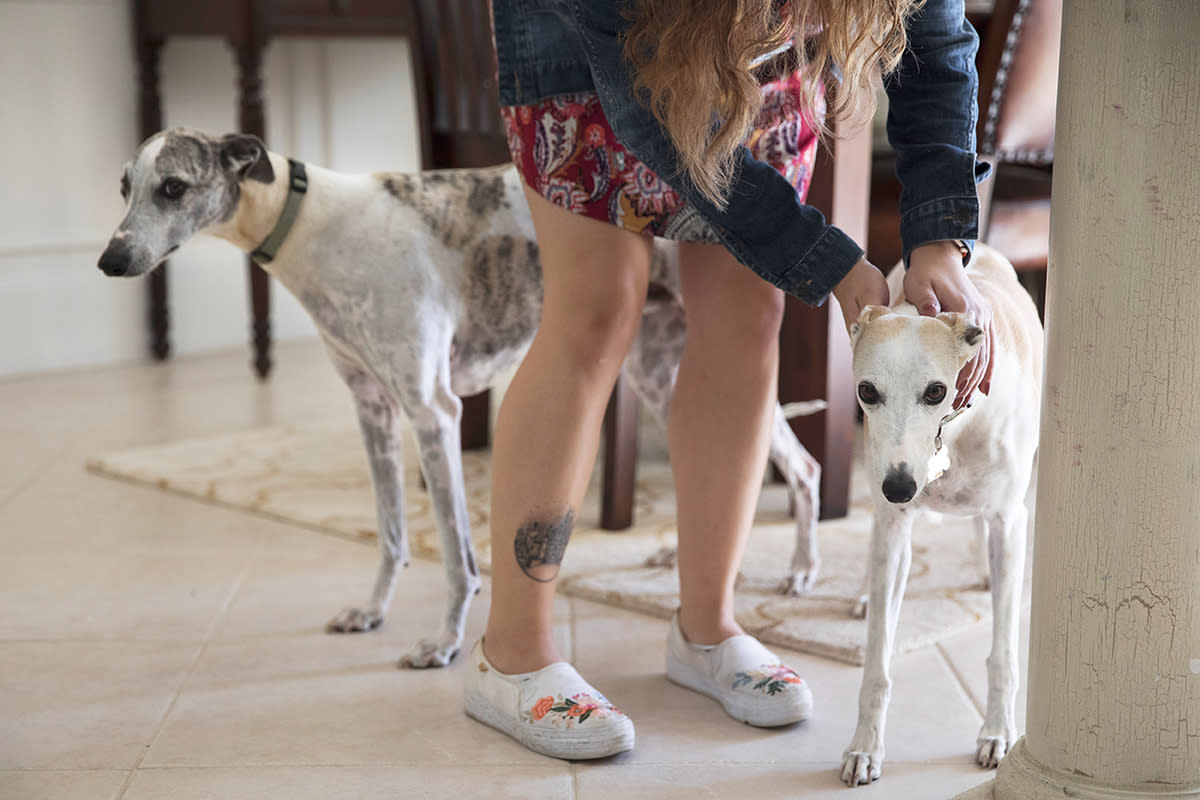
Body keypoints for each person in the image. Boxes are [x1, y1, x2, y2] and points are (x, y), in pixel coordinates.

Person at [463, 0, 994, 760]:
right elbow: (656, 122)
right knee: (598, 308)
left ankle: (705, 629)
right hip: (605, 40)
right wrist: (832, 263)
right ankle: (510, 652)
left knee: (749, 310)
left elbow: (937, 43)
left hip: (762, 61)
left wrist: (940, 240)